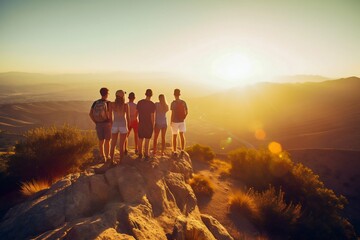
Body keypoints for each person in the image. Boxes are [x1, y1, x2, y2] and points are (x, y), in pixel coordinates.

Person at [89, 87, 111, 163]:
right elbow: (110, 115)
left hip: (99, 124)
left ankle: (103, 156)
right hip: (107, 123)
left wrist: (96, 122)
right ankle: (108, 156)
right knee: (108, 141)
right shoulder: (108, 103)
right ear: (106, 94)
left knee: (101, 141)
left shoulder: (95, 102)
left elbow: (90, 114)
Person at [109, 90, 130, 164]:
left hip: (115, 125)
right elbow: (128, 117)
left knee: (113, 144)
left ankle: (111, 161)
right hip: (123, 125)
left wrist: (112, 125)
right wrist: (129, 127)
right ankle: (121, 162)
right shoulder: (125, 105)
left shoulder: (112, 104)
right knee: (122, 145)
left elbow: (110, 117)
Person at [137, 89, 155, 160]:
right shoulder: (152, 104)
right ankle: (146, 154)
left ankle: (140, 153)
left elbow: (136, 113)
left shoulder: (140, 102)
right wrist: (152, 125)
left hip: (141, 123)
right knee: (147, 139)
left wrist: (138, 120)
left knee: (140, 138)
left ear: (145, 94)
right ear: (151, 95)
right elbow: (152, 116)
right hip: (148, 124)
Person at [170, 88, 188, 156]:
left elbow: (172, 113)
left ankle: (174, 151)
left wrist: (171, 121)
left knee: (174, 136)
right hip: (182, 121)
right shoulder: (183, 102)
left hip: (175, 121)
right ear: (179, 94)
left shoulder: (173, 103)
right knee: (182, 135)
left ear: (174, 95)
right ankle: (182, 150)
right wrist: (183, 117)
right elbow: (187, 111)